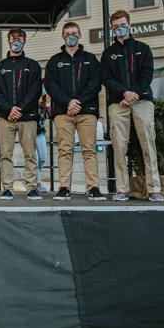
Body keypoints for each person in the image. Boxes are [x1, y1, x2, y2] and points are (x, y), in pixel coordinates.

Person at [101, 10, 163, 202]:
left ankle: (154, 189)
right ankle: (122, 189)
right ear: (112, 29)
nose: (119, 28)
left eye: (122, 24)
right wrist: (123, 93)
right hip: (118, 103)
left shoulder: (143, 49)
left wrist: (133, 93)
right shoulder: (108, 54)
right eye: (116, 26)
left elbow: (147, 74)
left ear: (129, 24)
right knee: (119, 145)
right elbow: (106, 78)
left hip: (142, 100)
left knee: (148, 143)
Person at [44, 21, 104, 201]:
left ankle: (93, 187)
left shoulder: (90, 59)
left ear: (80, 35)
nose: (71, 36)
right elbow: (50, 85)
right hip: (63, 112)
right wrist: (68, 102)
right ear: (62, 36)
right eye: (67, 33)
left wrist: (78, 101)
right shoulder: (55, 61)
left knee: (89, 149)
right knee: (65, 150)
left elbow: (95, 83)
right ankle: (64, 187)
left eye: (74, 33)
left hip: (87, 111)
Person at [0, 28, 42, 200]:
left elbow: (35, 91)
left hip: (28, 117)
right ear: (8, 40)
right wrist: (8, 109)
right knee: (6, 154)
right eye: (13, 38)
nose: (16, 41)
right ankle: (7, 188)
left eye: (19, 38)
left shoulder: (33, 65)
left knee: (30, 153)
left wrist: (19, 109)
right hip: (6, 118)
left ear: (24, 41)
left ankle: (32, 187)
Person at [35, 93, 49, 192]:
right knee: (34, 159)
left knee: (42, 158)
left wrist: (47, 103)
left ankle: (32, 176)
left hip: (40, 133)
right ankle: (37, 183)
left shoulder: (44, 105)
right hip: (30, 133)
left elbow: (51, 116)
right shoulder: (31, 102)